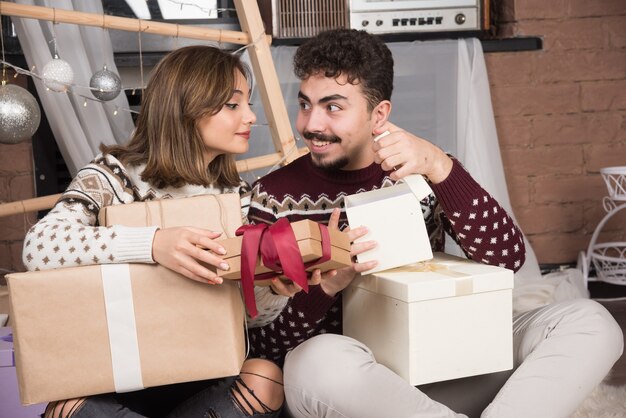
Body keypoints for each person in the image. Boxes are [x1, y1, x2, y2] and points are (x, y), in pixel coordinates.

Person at [245, 29, 624, 418]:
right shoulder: (272, 197)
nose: (311, 123)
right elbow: (262, 349)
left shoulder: (421, 171)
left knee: (592, 321)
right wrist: (324, 288)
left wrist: (441, 166)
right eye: (305, 105)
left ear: (379, 114)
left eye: (333, 107)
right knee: (314, 361)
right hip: (362, 392)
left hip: (448, 369)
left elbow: (508, 258)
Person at [23, 45, 285, 418]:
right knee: (65, 407)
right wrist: (154, 243)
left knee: (266, 378)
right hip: (117, 376)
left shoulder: (237, 197)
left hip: (202, 371)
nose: (251, 116)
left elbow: (247, 318)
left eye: (248, 104)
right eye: (233, 105)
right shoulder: (112, 176)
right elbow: (39, 247)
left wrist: (272, 288)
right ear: (186, 107)